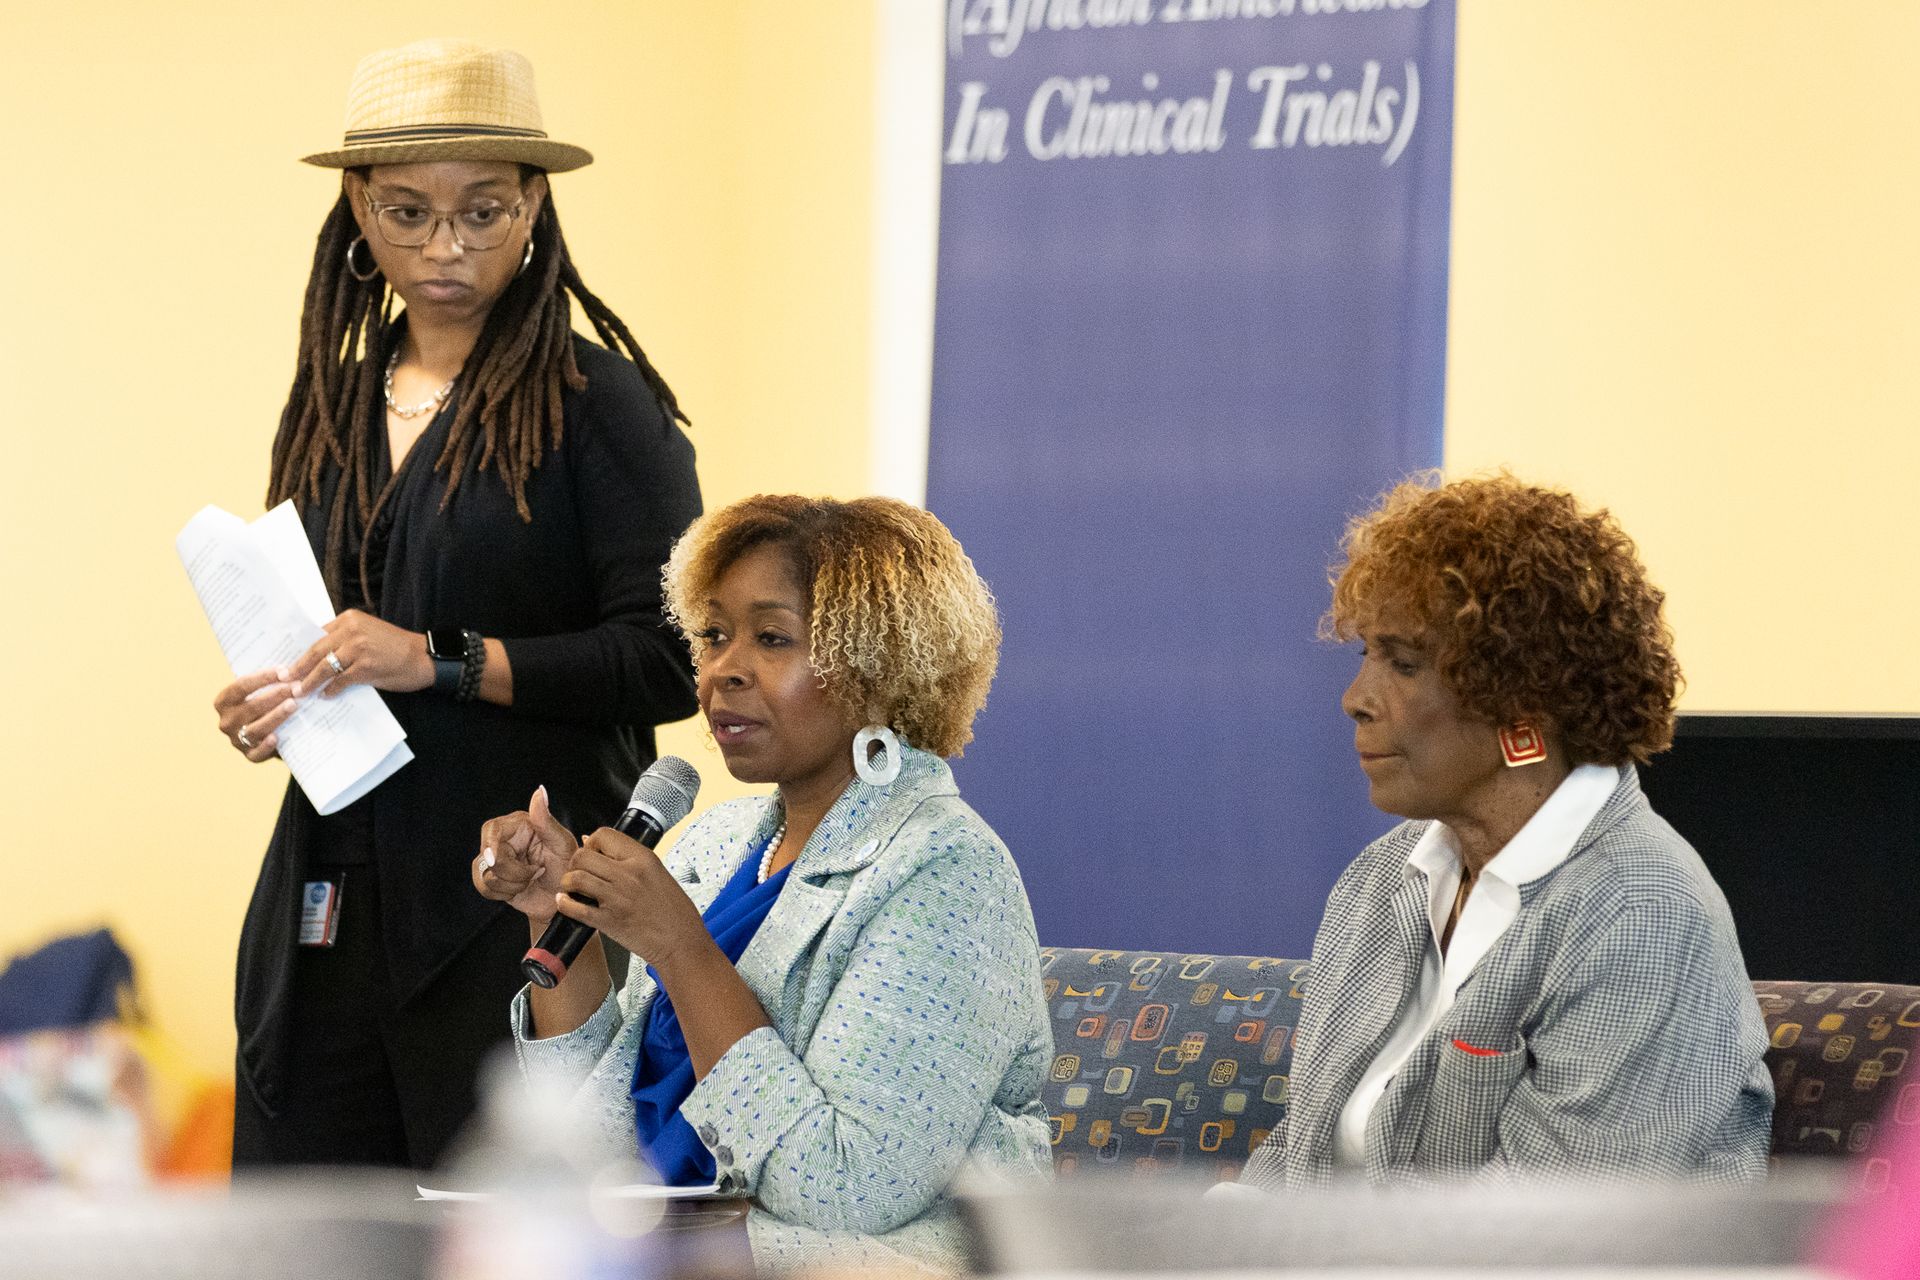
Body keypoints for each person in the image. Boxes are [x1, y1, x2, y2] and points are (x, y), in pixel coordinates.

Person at [211, 39, 701, 1168]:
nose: (446, 246)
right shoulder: (330, 403)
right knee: (306, 1229)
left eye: (483, 211)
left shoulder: (598, 404)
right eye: (408, 213)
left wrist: (442, 658)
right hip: (329, 900)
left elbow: (669, 659)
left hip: (518, 904)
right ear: (357, 206)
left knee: (496, 1227)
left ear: (533, 204)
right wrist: (274, 699)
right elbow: (332, 636)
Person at [474, 495, 1052, 1272]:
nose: (724, 669)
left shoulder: (948, 872)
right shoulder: (715, 844)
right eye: (714, 635)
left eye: (772, 638)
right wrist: (553, 913)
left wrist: (683, 950)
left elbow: (846, 1188)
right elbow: (594, 1136)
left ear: (880, 671)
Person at [1237, 473, 1772, 1190]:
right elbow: (1301, 1158)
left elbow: (1550, 1229)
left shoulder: (1641, 911)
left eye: (1404, 664)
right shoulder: (1379, 881)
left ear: (1522, 699)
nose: (1355, 699)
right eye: (1365, 655)